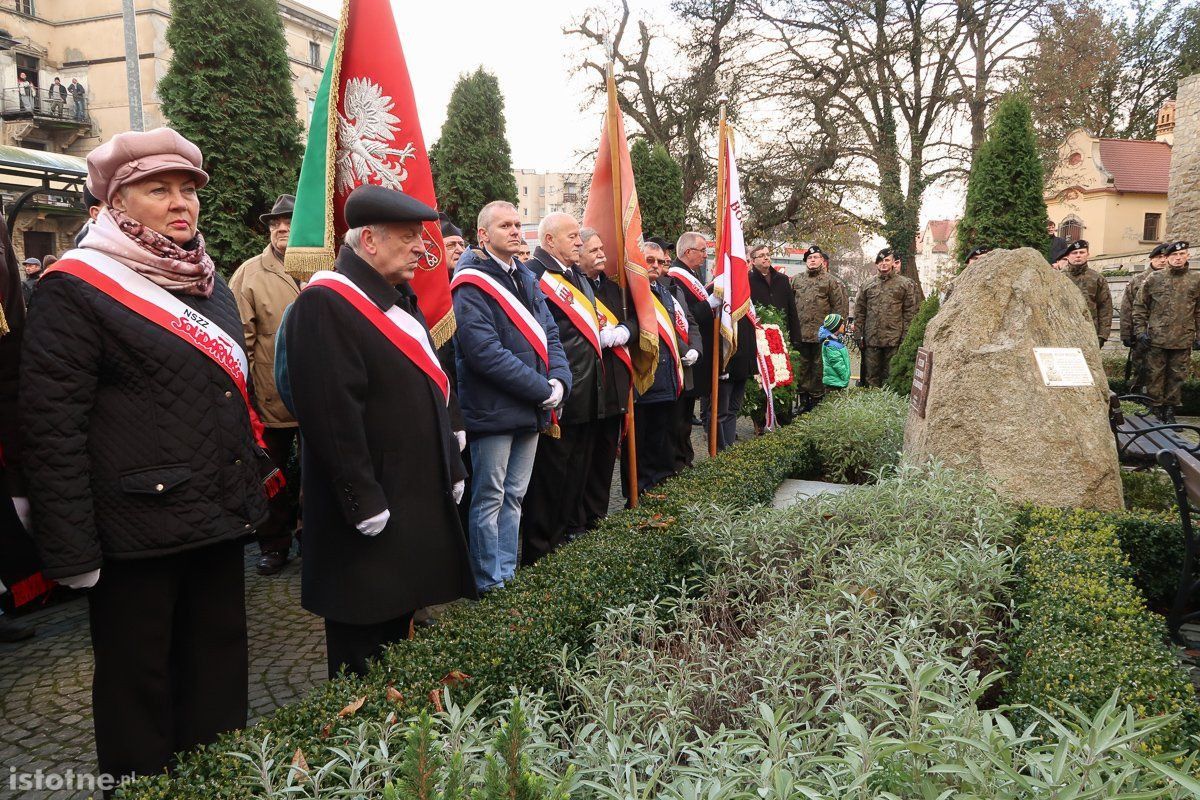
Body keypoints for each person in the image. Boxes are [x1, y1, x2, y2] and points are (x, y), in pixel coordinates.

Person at [20, 128, 269, 786]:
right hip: (135, 531)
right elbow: (52, 426)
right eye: (158, 189)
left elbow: (221, 395)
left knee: (218, 675)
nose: (180, 202)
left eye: (188, 188)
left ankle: (218, 783)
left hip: (215, 517)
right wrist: (71, 552)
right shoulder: (72, 287)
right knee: (139, 692)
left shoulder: (207, 280)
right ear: (118, 202)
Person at [281, 185, 475, 678]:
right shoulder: (326, 305)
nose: (421, 249)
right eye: (409, 237)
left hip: (407, 502)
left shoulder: (397, 301)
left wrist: (450, 461)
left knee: (397, 636)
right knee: (362, 654)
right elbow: (332, 419)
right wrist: (363, 500)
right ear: (368, 240)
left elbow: (435, 386)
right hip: (366, 513)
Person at [451, 201, 570, 593]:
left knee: (515, 495)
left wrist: (560, 381)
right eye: (506, 225)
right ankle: (489, 582)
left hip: (533, 407)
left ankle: (507, 574)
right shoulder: (470, 283)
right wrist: (543, 389)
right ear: (483, 235)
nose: (516, 231)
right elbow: (484, 352)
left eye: (519, 224)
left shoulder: (525, 278)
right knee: (489, 497)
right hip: (493, 410)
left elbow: (550, 335)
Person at [520, 212, 601, 563]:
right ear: (549, 240)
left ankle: (567, 536)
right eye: (572, 237)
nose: (580, 242)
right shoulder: (533, 276)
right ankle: (540, 552)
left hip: (588, 393)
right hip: (559, 395)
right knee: (548, 479)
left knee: (575, 475)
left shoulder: (576, 276)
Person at [229, 194, 301, 575]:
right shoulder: (249, 274)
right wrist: (247, 398)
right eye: (275, 223)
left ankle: (312, 535)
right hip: (268, 400)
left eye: (288, 220)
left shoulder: (323, 267)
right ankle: (274, 544)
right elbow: (239, 342)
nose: (281, 228)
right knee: (267, 477)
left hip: (316, 398)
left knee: (317, 475)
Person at [626, 240, 698, 496]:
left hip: (668, 380)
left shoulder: (664, 291)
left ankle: (661, 490)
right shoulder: (631, 290)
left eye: (659, 261)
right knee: (642, 448)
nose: (655, 266)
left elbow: (673, 330)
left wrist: (690, 350)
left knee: (664, 442)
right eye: (649, 261)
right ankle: (640, 495)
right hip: (645, 382)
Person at [575, 227, 635, 528]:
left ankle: (597, 517)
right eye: (594, 250)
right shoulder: (572, 288)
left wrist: (624, 331)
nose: (602, 254)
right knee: (581, 461)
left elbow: (637, 319)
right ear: (578, 252)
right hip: (586, 388)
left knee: (604, 458)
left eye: (602, 249)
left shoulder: (614, 289)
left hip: (614, 386)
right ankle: (577, 521)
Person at [1132, 241, 1199, 423]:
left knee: (1177, 375)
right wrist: (1140, 331)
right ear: (1167, 258)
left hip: (1182, 338)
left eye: (1182, 254)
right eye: (1174, 256)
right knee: (1154, 374)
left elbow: (1199, 310)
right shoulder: (1154, 279)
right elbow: (1139, 306)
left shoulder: (1195, 280)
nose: (1178, 258)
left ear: (1188, 256)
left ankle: (1170, 411)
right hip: (1156, 338)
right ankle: (1155, 410)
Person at [666, 231, 712, 468]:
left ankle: (685, 457)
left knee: (685, 413)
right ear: (687, 252)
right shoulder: (676, 278)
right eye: (702, 250)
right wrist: (711, 303)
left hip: (695, 351)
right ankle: (679, 459)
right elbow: (688, 316)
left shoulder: (692, 275)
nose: (705, 255)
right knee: (679, 415)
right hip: (682, 357)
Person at [790, 245, 848, 407]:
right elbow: (789, 306)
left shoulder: (831, 281)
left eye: (816, 257)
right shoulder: (796, 280)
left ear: (822, 260)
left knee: (819, 369)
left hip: (822, 336)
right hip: (800, 333)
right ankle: (802, 401)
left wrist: (836, 333)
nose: (813, 260)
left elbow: (839, 308)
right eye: (809, 258)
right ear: (806, 261)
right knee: (801, 368)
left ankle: (816, 402)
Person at [854, 248, 918, 388]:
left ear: (894, 263)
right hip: (872, 339)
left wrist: (905, 337)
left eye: (887, 260)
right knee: (871, 378)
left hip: (894, 340)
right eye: (880, 261)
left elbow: (910, 313)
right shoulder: (867, 285)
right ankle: (871, 406)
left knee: (891, 377)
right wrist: (858, 334)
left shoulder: (905, 284)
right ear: (876, 264)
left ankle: (888, 407)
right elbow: (860, 312)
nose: (883, 263)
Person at [1121, 243, 1169, 394]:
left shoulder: (1175, 280)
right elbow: (1127, 309)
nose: (1162, 260)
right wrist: (1126, 334)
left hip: (1169, 336)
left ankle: (1161, 407)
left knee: (1167, 374)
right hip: (1143, 335)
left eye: (1165, 257)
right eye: (1158, 257)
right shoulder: (1138, 281)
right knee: (1140, 371)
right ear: (1151, 259)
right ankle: (1136, 401)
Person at [1061, 239, 1113, 348]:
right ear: (1067, 256)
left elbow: (1105, 308)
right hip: (1063, 332)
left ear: (1088, 254)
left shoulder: (1097, 279)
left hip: (1090, 332)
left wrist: (1102, 336)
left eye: (1082, 252)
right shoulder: (1058, 278)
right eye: (1074, 253)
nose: (1078, 256)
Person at [748, 244, 801, 337]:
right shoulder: (747, 280)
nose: (766, 258)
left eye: (768, 255)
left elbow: (792, 310)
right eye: (761, 256)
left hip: (783, 333)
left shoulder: (783, 279)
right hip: (759, 335)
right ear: (753, 261)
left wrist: (796, 337)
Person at [820, 313, 850, 392]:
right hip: (833, 382)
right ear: (835, 327)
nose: (844, 326)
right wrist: (845, 376)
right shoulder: (831, 345)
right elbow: (837, 363)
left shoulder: (836, 341)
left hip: (836, 380)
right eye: (842, 324)